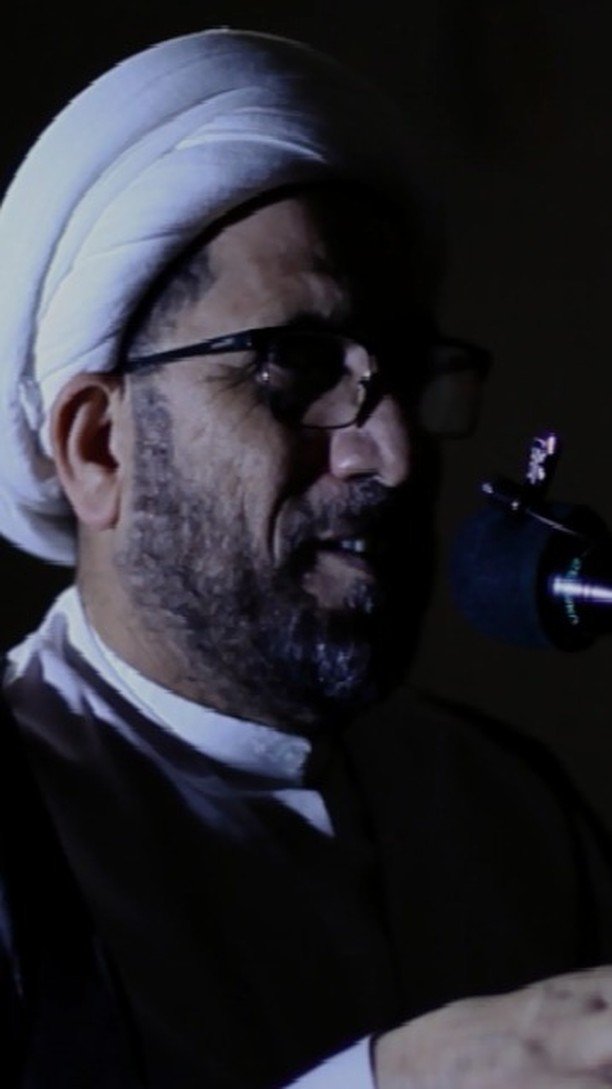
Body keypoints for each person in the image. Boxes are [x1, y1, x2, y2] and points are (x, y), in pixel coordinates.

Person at [2, 26, 612, 1089]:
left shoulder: (510, 809)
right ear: (99, 447)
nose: (394, 452)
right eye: (294, 365)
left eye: (408, 369)